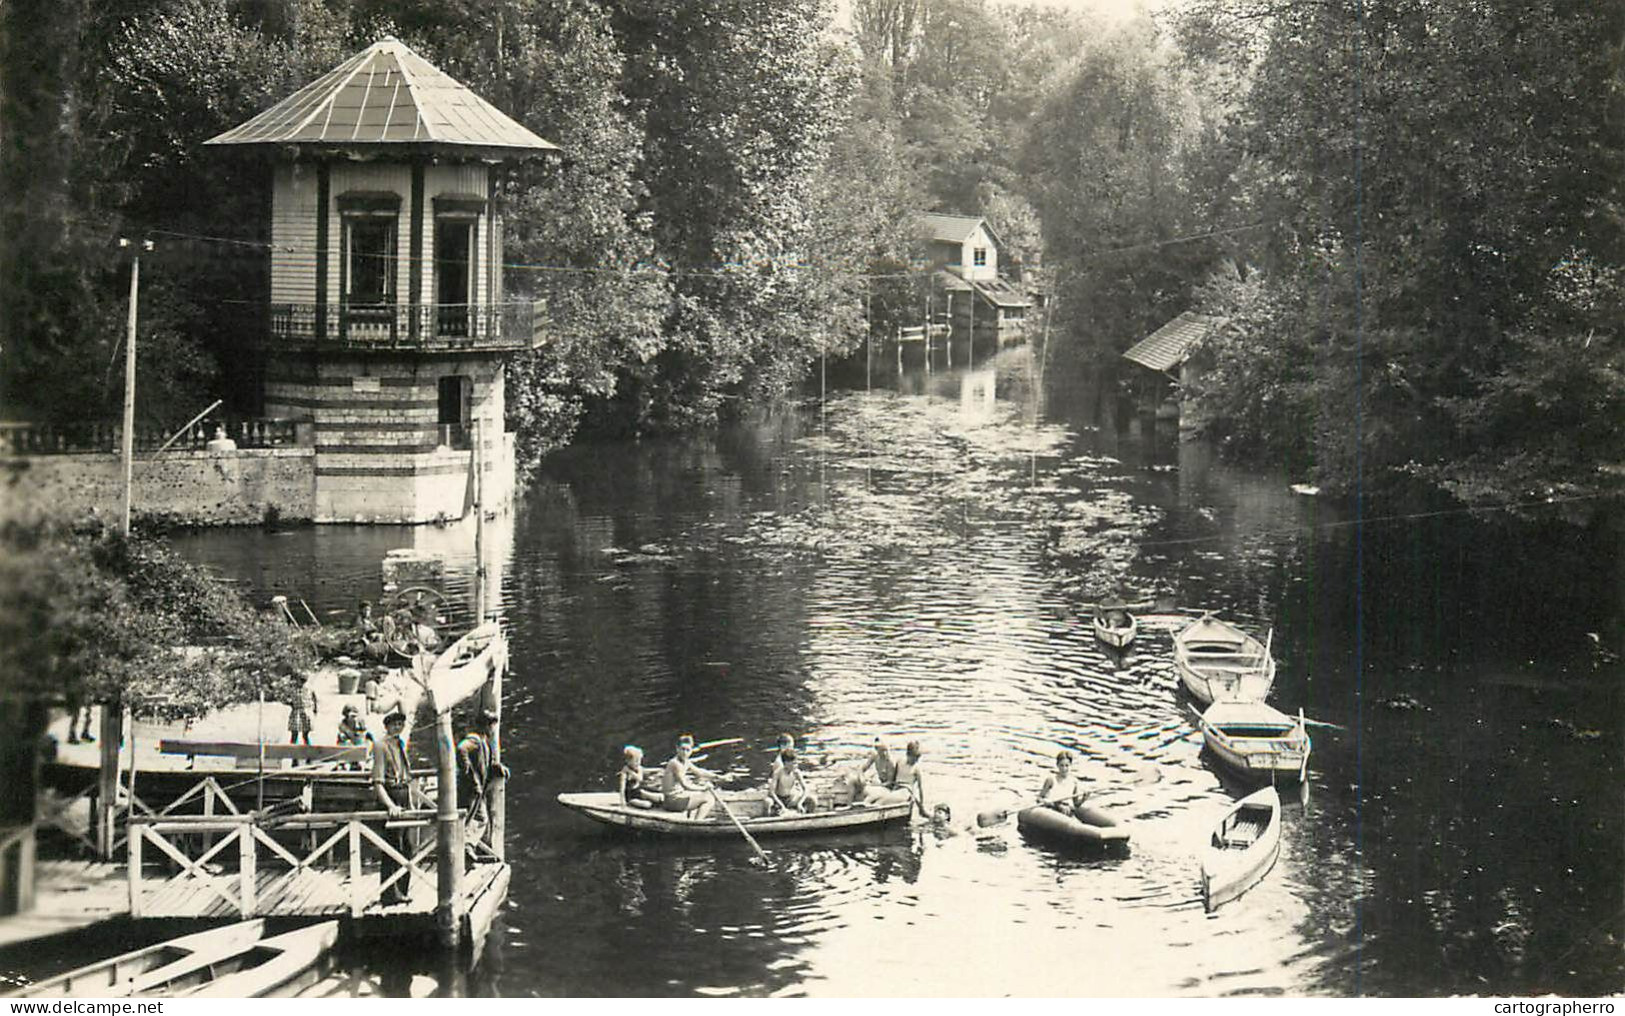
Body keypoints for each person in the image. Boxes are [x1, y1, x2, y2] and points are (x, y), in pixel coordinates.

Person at [370, 709, 414, 907]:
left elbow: (407, 775)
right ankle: (389, 894)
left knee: (409, 847)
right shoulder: (381, 745)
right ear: (387, 726)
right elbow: (377, 782)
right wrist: (390, 805)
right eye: (394, 724)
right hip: (391, 796)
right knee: (392, 847)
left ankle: (402, 891)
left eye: (401, 724)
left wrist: (411, 802)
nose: (398, 727)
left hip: (404, 795)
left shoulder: (400, 745)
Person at [457, 710, 508, 822]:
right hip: (470, 789)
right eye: (492, 726)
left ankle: (466, 837)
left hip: (477, 790)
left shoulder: (484, 742)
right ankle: (463, 838)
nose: (493, 730)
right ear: (486, 726)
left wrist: (496, 767)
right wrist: (467, 770)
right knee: (473, 819)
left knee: (478, 819)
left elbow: (485, 763)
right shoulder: (474, 740)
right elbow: (462, 749)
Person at [660, 734, 715, 820]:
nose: (685, 753)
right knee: (709, 799)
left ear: (691, 751)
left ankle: (692, 817)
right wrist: (703, 788)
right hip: (672, 802)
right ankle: (697, 823)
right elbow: (685, 785)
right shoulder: (675, 763)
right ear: (677, 749)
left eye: (687, 750)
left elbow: (699, 772)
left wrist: (718, 776)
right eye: (682, 749)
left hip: (676, 798)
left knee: (701, 794)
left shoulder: (685, 761)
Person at [767, 745, 818, 814]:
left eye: (796, 763)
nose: (795, 766)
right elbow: (772, 792)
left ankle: (808, 818)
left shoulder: (796, 772)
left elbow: (805, 789)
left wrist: (800, 803)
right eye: (793, 763)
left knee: (812, 799)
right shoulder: (778, 773)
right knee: (768, 803)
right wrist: (781, 806)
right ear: (785, 763)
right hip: (779, 800)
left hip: (791, 799)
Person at [1037, 749, 1087, 817]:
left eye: (1067, 765)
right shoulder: (1051, 780)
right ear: (1057, 765)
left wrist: (1084, 798)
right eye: (1061, 765)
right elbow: (1039, 799)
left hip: (1066, 810)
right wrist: (1046, 802)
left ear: (1071, 765)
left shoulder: (1074, 782)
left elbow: (1076, 804)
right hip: (1052, 810)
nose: (1064, 769)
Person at [890, 740, 927, 816]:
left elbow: (920, 788)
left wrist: (921, 805)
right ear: (908, 754)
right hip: (896, 788)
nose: (915, 761)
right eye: (914, 758)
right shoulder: (899, 761)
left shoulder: (916, 769)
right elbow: (893, 779)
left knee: (890, 797)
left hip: (906, 791)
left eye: (917, 758)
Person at [287, 676, 318, 746]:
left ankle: (308, 752)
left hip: (306, 712)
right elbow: (287, 698)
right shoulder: (294, 689)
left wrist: (314, 709)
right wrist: (291, 703)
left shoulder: (309, 688)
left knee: (305, 735)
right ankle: (294, 753)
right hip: (296, 712)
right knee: (294, 735)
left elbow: (314, 699)